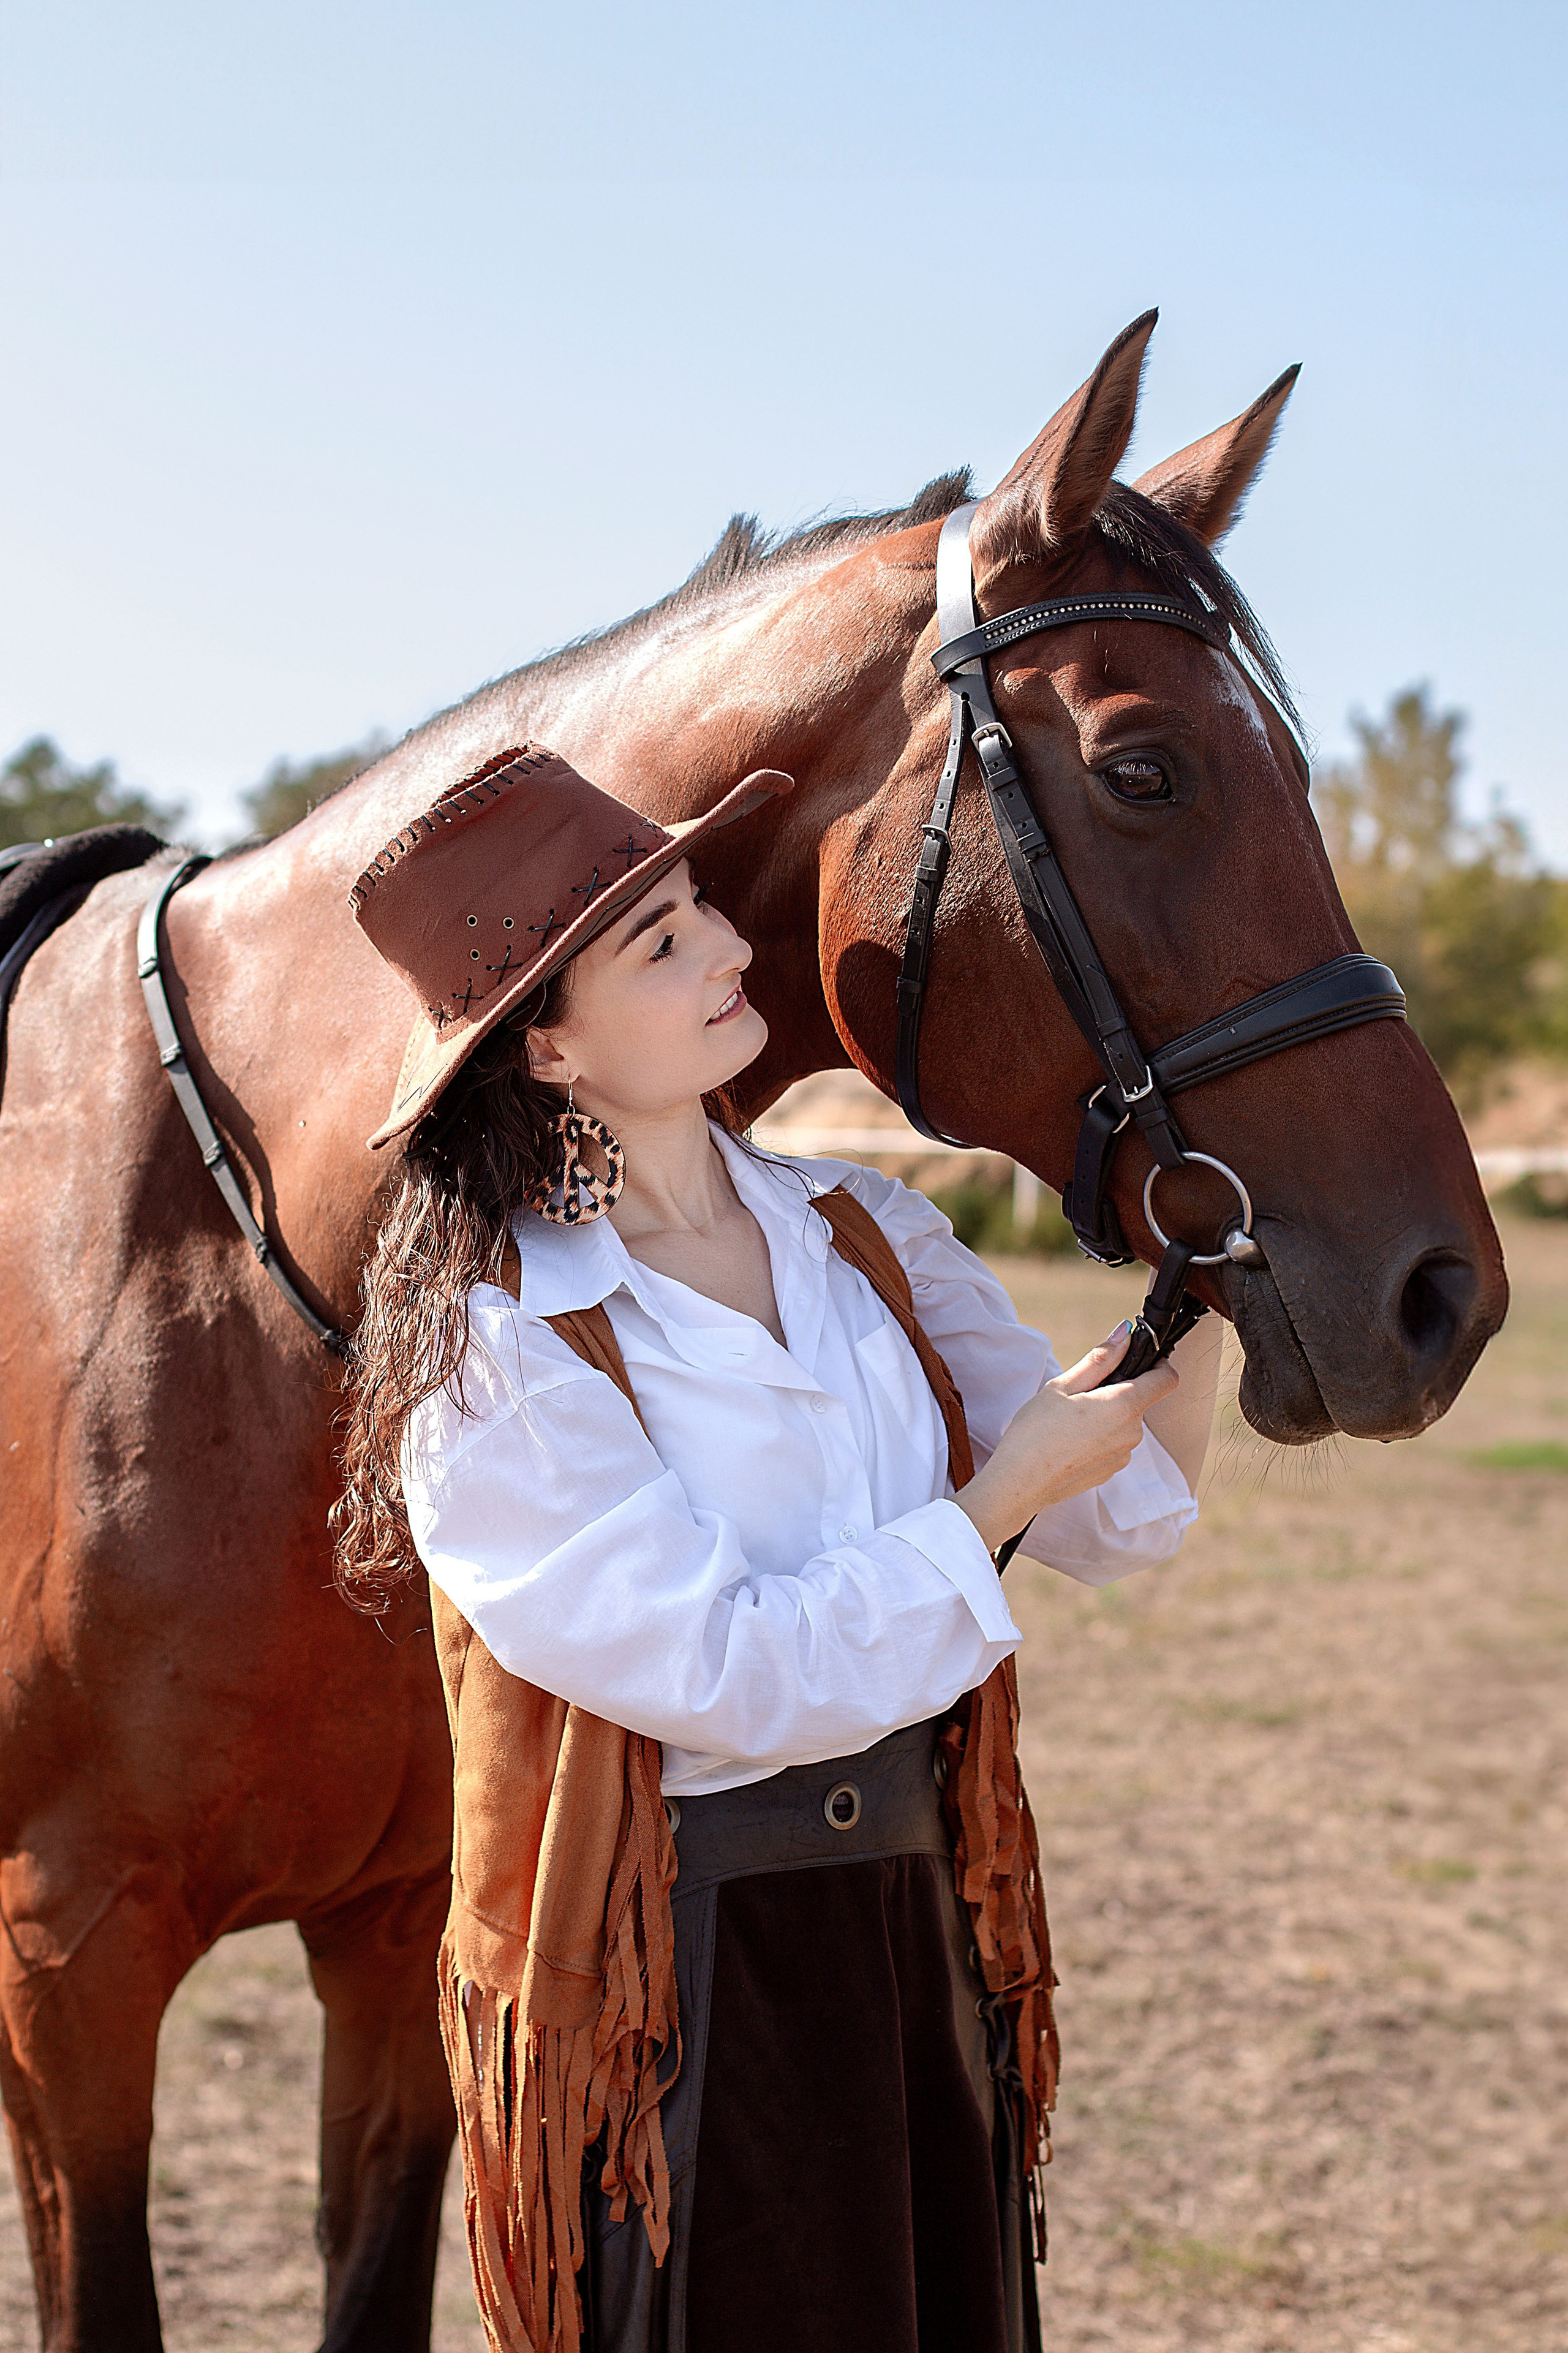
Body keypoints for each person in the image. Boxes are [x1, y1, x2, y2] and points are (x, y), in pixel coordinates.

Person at [335, 742, 1223, 2353]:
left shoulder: (874, 1234)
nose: (732, 951)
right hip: (689, 1984)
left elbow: (1114, 1505)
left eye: (700, 915)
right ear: (546, 1045)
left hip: (921, 1916)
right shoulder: (499, 1357)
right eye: (660, 944)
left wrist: (1215, 1267)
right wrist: (992, 1499)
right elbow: (727, 1670)